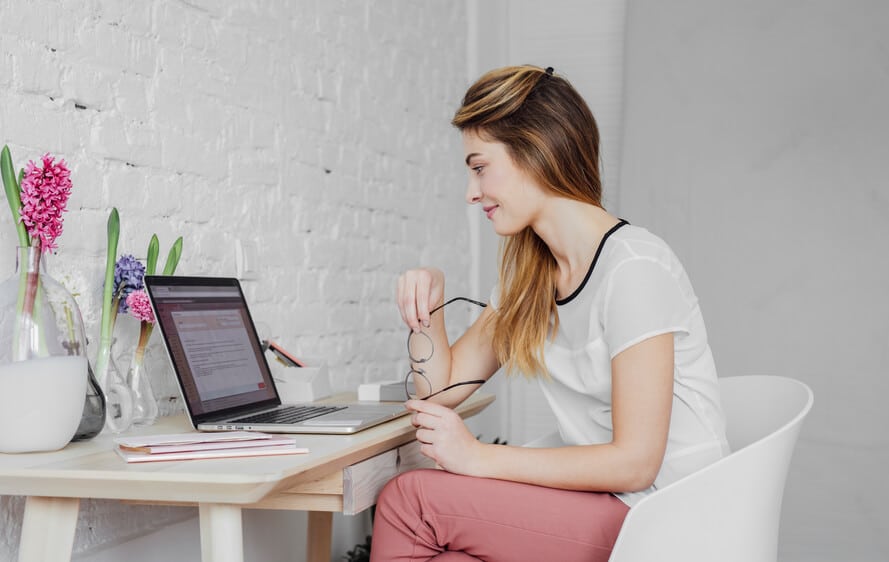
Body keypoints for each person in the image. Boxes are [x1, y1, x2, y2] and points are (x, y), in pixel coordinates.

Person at [369, 65, 729, 562]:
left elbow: (637, 464)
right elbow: (440, 393)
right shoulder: (531, 279)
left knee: (410, 501)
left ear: (536, 152)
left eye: (479, 167)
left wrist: (478, 457)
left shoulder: (634, 270)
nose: (471, 193)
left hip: (664, 517)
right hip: (610, 506)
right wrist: (426, 310)